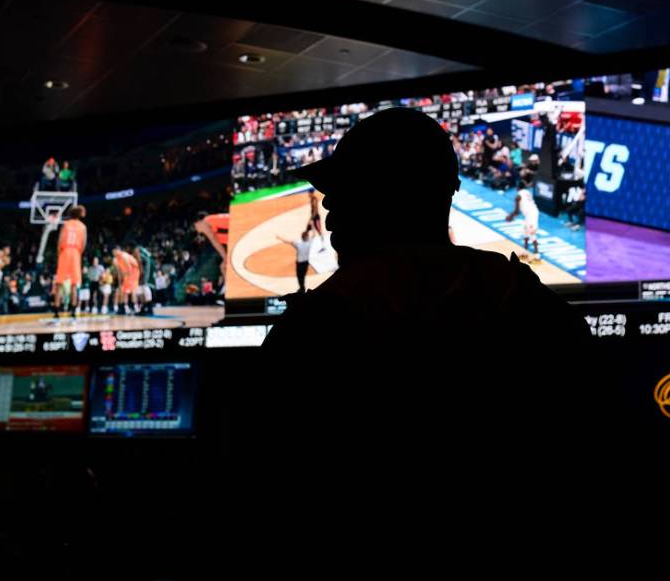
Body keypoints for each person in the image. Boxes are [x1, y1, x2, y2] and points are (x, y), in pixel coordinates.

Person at [253, 110, 613, 567]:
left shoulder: (317, 325)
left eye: (342, 191)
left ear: (381, 198)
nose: (328, 208)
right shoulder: (526, 303)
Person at [53, 206, 87, 319]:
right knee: (74, 284)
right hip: (75, 252)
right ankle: (73, 311)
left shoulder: (66, 224)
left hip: (65, 251)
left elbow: (60, 241)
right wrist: (77, 253)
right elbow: (83, 244)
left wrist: (59, 253)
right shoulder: (83, 227)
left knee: (59, 284)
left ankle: (57, 311)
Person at [277, 225, 318, 293]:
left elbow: (288, 242)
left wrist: (279, 238)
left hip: (300, 263)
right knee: (302, 276)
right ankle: (302, 288)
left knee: (300, 276)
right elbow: (314, 235)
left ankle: (302, 288)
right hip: (306, 262)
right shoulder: (309, 242)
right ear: (306, 237)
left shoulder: (298, 243)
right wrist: (313, 227)